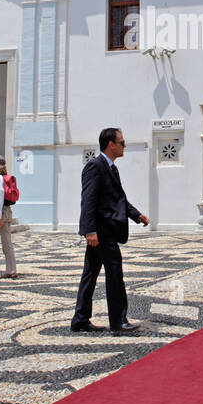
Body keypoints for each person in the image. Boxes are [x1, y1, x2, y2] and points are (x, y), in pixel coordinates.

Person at [72, 128, 149, 335]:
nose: (124, 146)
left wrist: (136, 215)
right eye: (122, 143)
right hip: (101, 231)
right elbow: (88, 200)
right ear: (110, 144)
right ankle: (118, 321)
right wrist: (90, 231)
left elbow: (117, 198)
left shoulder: (111, 168)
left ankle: (80, 319)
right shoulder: (95, 166)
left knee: (90, 274)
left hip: (104, 230)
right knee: (114, 273)